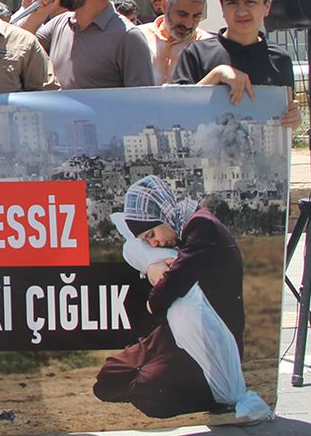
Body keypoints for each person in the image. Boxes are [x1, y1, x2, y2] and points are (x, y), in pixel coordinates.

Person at [93, 176, 247, 418]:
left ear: (164, 214)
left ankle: (210, 396)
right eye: (148, 240)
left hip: (212, 344)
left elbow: (178, 280)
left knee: (152, 390)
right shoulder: (182, 231)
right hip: (177, 335)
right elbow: (138, 252)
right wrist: (153, 267)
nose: (154, 243)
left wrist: (152, 302)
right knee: (110, 376)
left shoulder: (201, 225)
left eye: (152, 234)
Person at [171, 0, 299, 129]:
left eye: (250, 2)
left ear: (267, 7)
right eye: (232, 3)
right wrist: (216, 75)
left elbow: (285, 115)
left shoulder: (280, 59)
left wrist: (294, 119)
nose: (241, 12)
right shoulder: (196, 53)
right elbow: (177, 112)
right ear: (222, 8)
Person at [22, 0, 155, 89]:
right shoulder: (59, 24)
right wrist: (39, 13)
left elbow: (141, 99)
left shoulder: (128, 38)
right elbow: (17, 50)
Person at [136, 0, 210, 86]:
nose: (188, 24)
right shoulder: (138, 37)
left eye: (196, 16)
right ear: (164, 5)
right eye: (182, 14)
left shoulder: (206, 45)